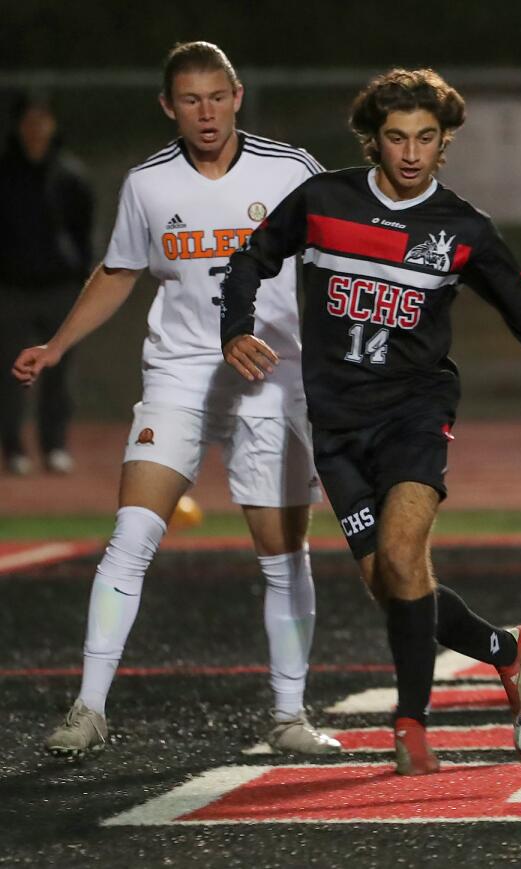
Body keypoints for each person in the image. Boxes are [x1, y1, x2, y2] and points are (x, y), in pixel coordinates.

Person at [219, 67, 521, 775]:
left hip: (414, 413)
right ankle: (503, 649)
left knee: (406, 558)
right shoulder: (322, 200)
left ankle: (409, 724)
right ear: (374, 141)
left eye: (426, 139)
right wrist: (237, 326)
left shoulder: (464, 229)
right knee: (390, 583)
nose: (411, 152)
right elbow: (250, 258)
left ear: (445, 144)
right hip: (337, 430)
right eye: (397, 137)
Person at [13, 42, 340, 757]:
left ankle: (290, 714)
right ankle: (88, 709)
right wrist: (58, 344)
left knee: (284, 555)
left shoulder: (291, 170)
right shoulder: (149, 184)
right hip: (181, 375)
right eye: (189, 100)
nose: (206, 112)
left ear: (238, 95)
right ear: (168, 107)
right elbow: (117, 270)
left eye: (216, 96)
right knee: (130, 537)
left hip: (271, 380)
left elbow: (342, 252)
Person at [0, 92, 94, 476]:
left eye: (43, 120)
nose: (36, 129)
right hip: (12, 290)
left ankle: (54, 445)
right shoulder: (4, 173)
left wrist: (81, 280)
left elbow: (85, 233)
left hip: (60, 290)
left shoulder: (71, 176)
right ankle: (14, 449)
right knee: (11, 373)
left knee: (59, 375)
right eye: (29, 121)